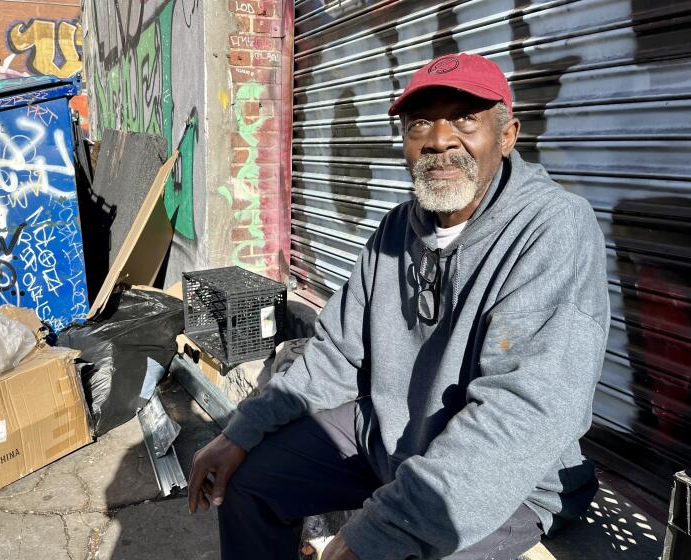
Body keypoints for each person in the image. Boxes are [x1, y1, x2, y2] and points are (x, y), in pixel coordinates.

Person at [189, 52, 610, 560]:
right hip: (387, 438)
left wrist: (383, 530)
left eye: (464, 119)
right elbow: (335, 353)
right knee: (250, 481)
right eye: (419, 124)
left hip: (505, 481)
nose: (438, 140)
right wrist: (245, 428)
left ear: (507, 135)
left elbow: (524, 413)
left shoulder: (554, 228)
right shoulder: (396, 228)